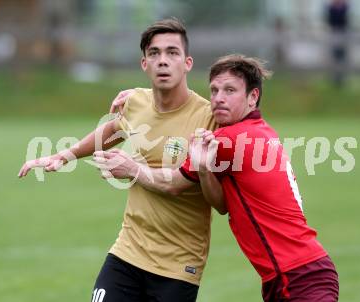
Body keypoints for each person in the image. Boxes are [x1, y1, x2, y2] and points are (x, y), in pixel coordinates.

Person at [95, 54, 339, 301]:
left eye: (230, 90)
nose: (219, 98)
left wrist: (131, 168)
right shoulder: (257, 131)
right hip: (296, 273)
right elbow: (222, 205)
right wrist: (203, 170)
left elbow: (174, 184)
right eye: (214, 90)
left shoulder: (231, 139)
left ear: (253, 97)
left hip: (297, 276)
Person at [19, 18, 217, 302]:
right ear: (144, 64)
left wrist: (133, 170)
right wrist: (65, 155)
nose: (163, 61)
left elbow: (178, 184)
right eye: (154, 53)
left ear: (187, 63)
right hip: (127, 253)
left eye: (172, 53)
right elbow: (114, 128)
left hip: (178, 264)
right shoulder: (135, 102)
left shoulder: (207, 117)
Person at [325, 0, 350, 88]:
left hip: (342, 34)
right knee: (334, 56)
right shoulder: (331, 8)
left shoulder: (345, 7)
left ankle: (341, 78)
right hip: (334, 33)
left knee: (342, 57)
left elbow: (345, 21)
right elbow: (330, 21)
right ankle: (334, 78)